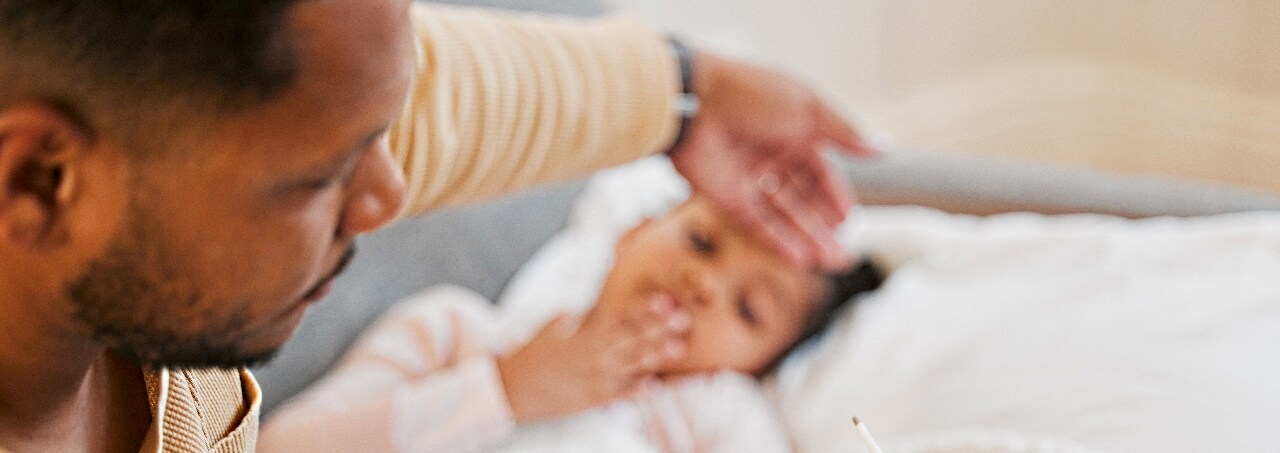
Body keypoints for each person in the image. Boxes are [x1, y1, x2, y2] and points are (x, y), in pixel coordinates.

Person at [0, 1, 877, 452]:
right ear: (39, 180)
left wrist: (686, 94)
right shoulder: (456, 337)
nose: (390, 195)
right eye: (322, 174)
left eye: (381, 136)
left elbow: (410, 94)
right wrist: (505, 390)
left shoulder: (166, 335)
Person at [258, 196, 884, 452]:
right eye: (700, 242)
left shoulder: (712, 413)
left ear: (762, 363)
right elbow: (282, 446)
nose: (703, 285)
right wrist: (503, 390)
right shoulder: (457, 332)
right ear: (632, 231)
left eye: (749, 309)